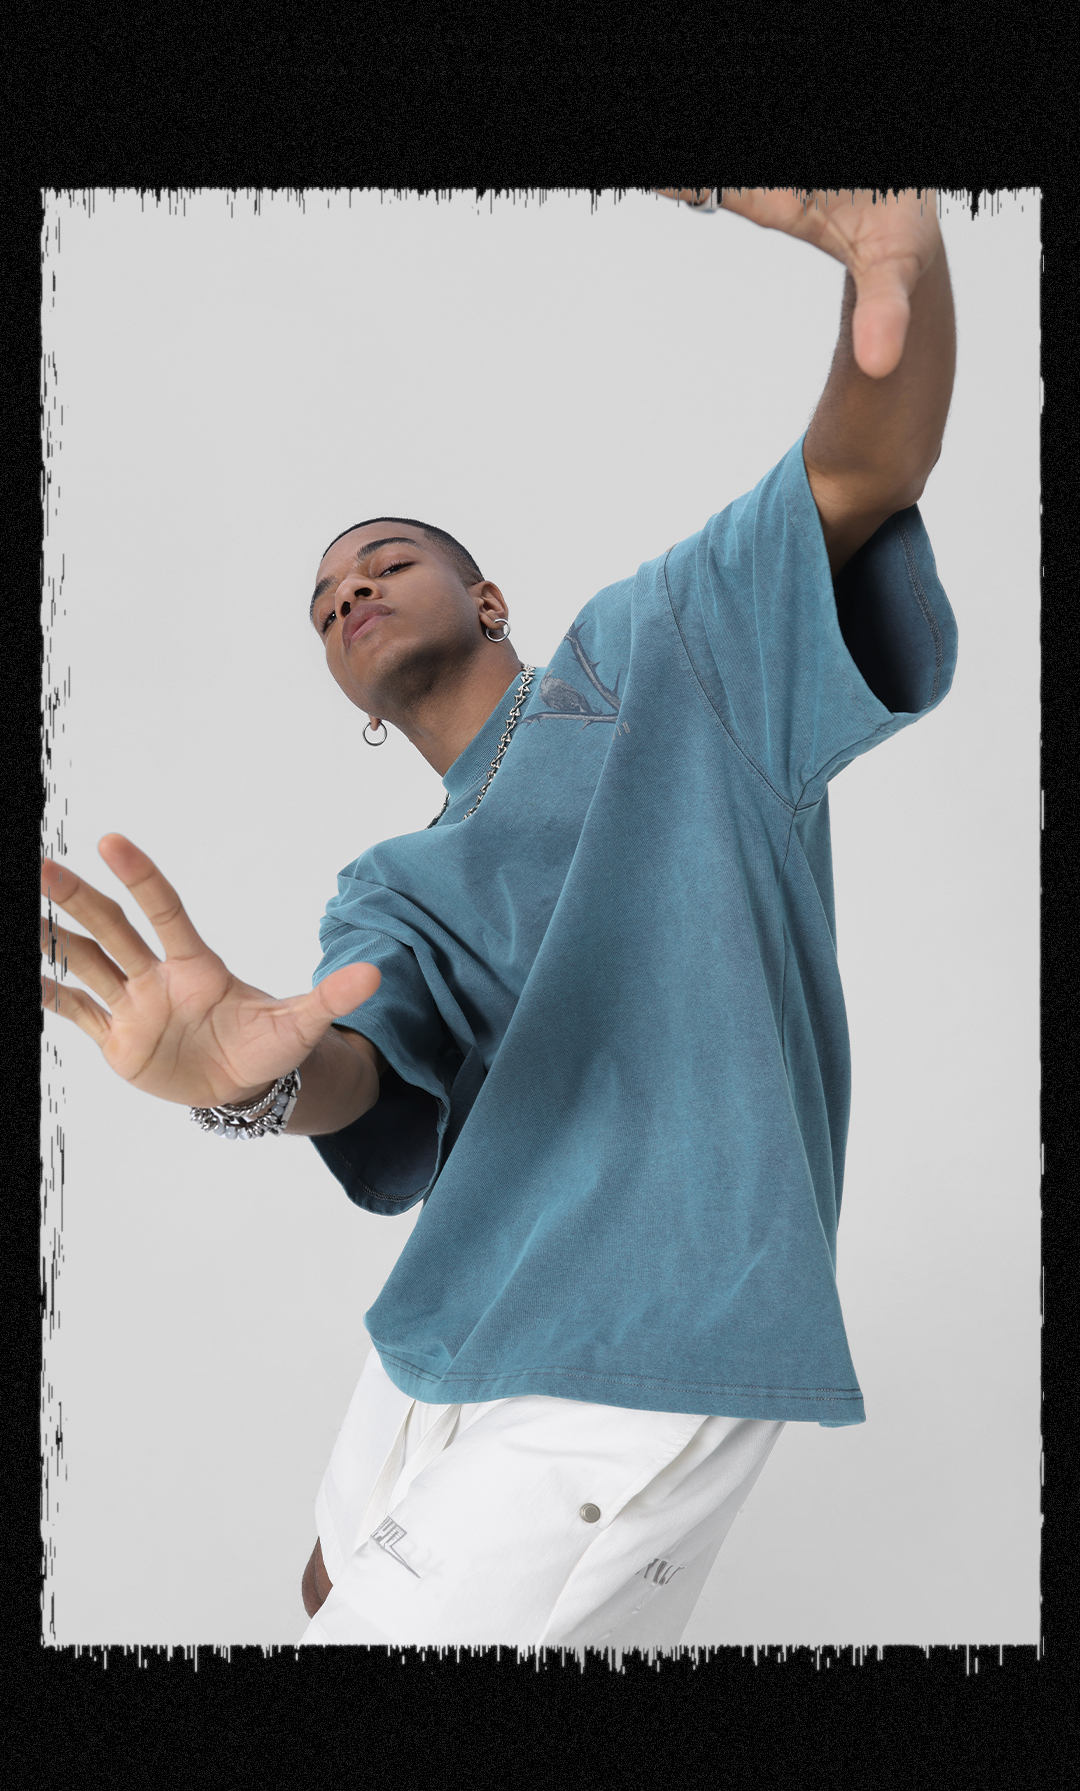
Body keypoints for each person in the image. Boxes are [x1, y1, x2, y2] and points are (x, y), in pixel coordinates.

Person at [40, 187, 957, 1652]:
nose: (350, 588)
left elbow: (860, 469)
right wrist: (244, 1082)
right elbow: (363, 1071)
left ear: (488, 597)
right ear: (345, 693)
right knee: (326, 1589)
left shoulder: (664, 656)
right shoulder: (390, 884)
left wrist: (888, 275)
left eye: (386, 560)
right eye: (325, 600)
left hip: (649, 1314)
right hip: (452, 1316)